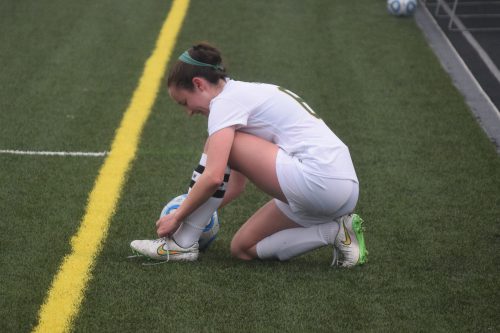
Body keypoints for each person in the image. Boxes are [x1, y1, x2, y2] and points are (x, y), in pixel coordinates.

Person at [130, 42, 367, 267]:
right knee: (243, 248)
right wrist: (195, 211)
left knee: (216, 144)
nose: (189, 111)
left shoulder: (224, 104)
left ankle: (181, 244)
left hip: (319, 179)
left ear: (199, 84)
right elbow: (232, 187)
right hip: (341, 189)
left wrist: (179, 216)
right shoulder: (242, 95)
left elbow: (213, 177)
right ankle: (336, 232)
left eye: (184, 102)